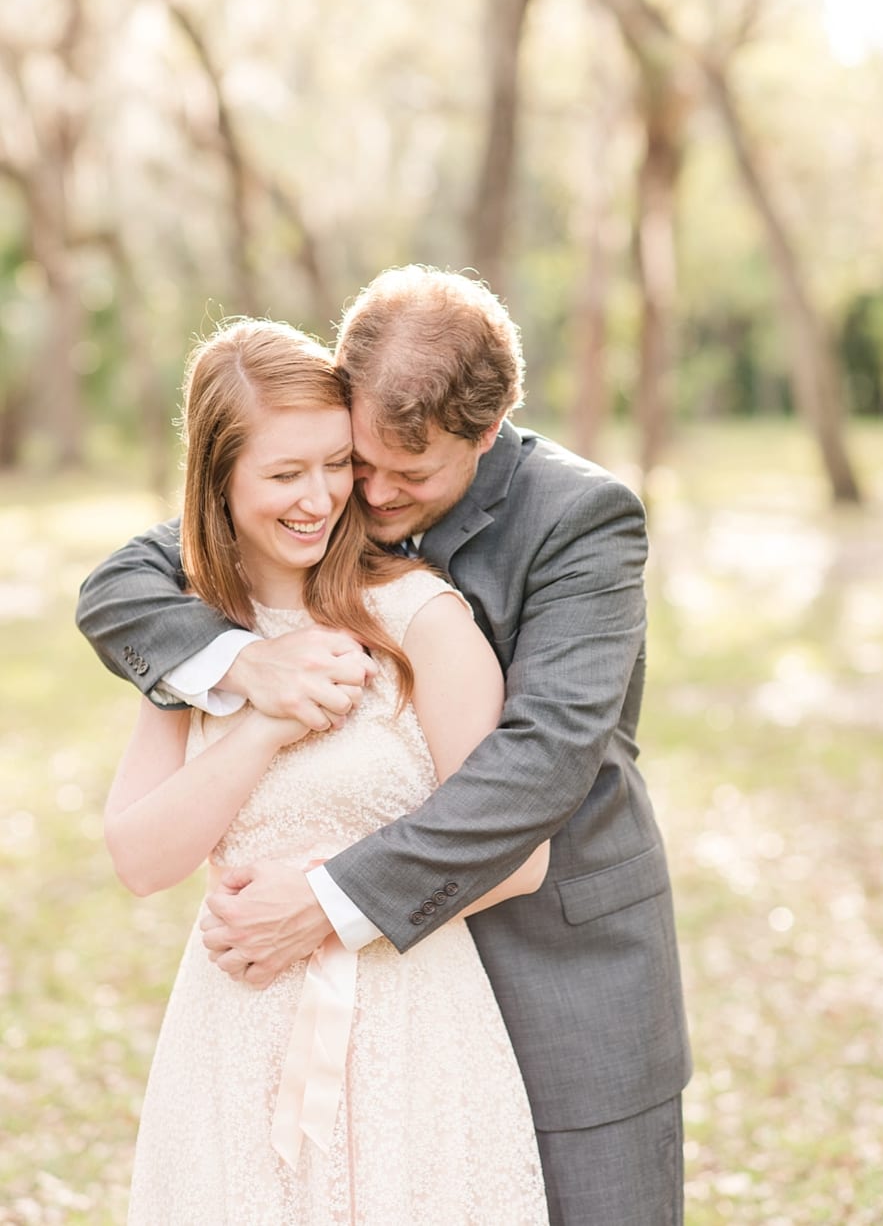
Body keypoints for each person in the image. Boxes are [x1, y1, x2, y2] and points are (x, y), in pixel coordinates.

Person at [77, 267, 692, 1226]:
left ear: (486, 436)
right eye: (354, 460)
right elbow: (123, 585)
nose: (365, 496)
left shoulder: (579, 522)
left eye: (409, 476)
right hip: (265, 1009)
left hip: (557, 966)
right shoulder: (286, 525)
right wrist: (255, 674)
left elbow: (537, 768)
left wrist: (325, 900)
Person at [97, 317, 550, 1225]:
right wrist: (261, 720)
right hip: (237, 1027)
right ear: (218, 480)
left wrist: (328, 893)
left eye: (335, 463)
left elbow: (521, 856)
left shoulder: (420, 618)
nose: (322, 498)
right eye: (283, 473)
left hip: (409, 1025)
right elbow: (142, 859)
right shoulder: (196, 639)